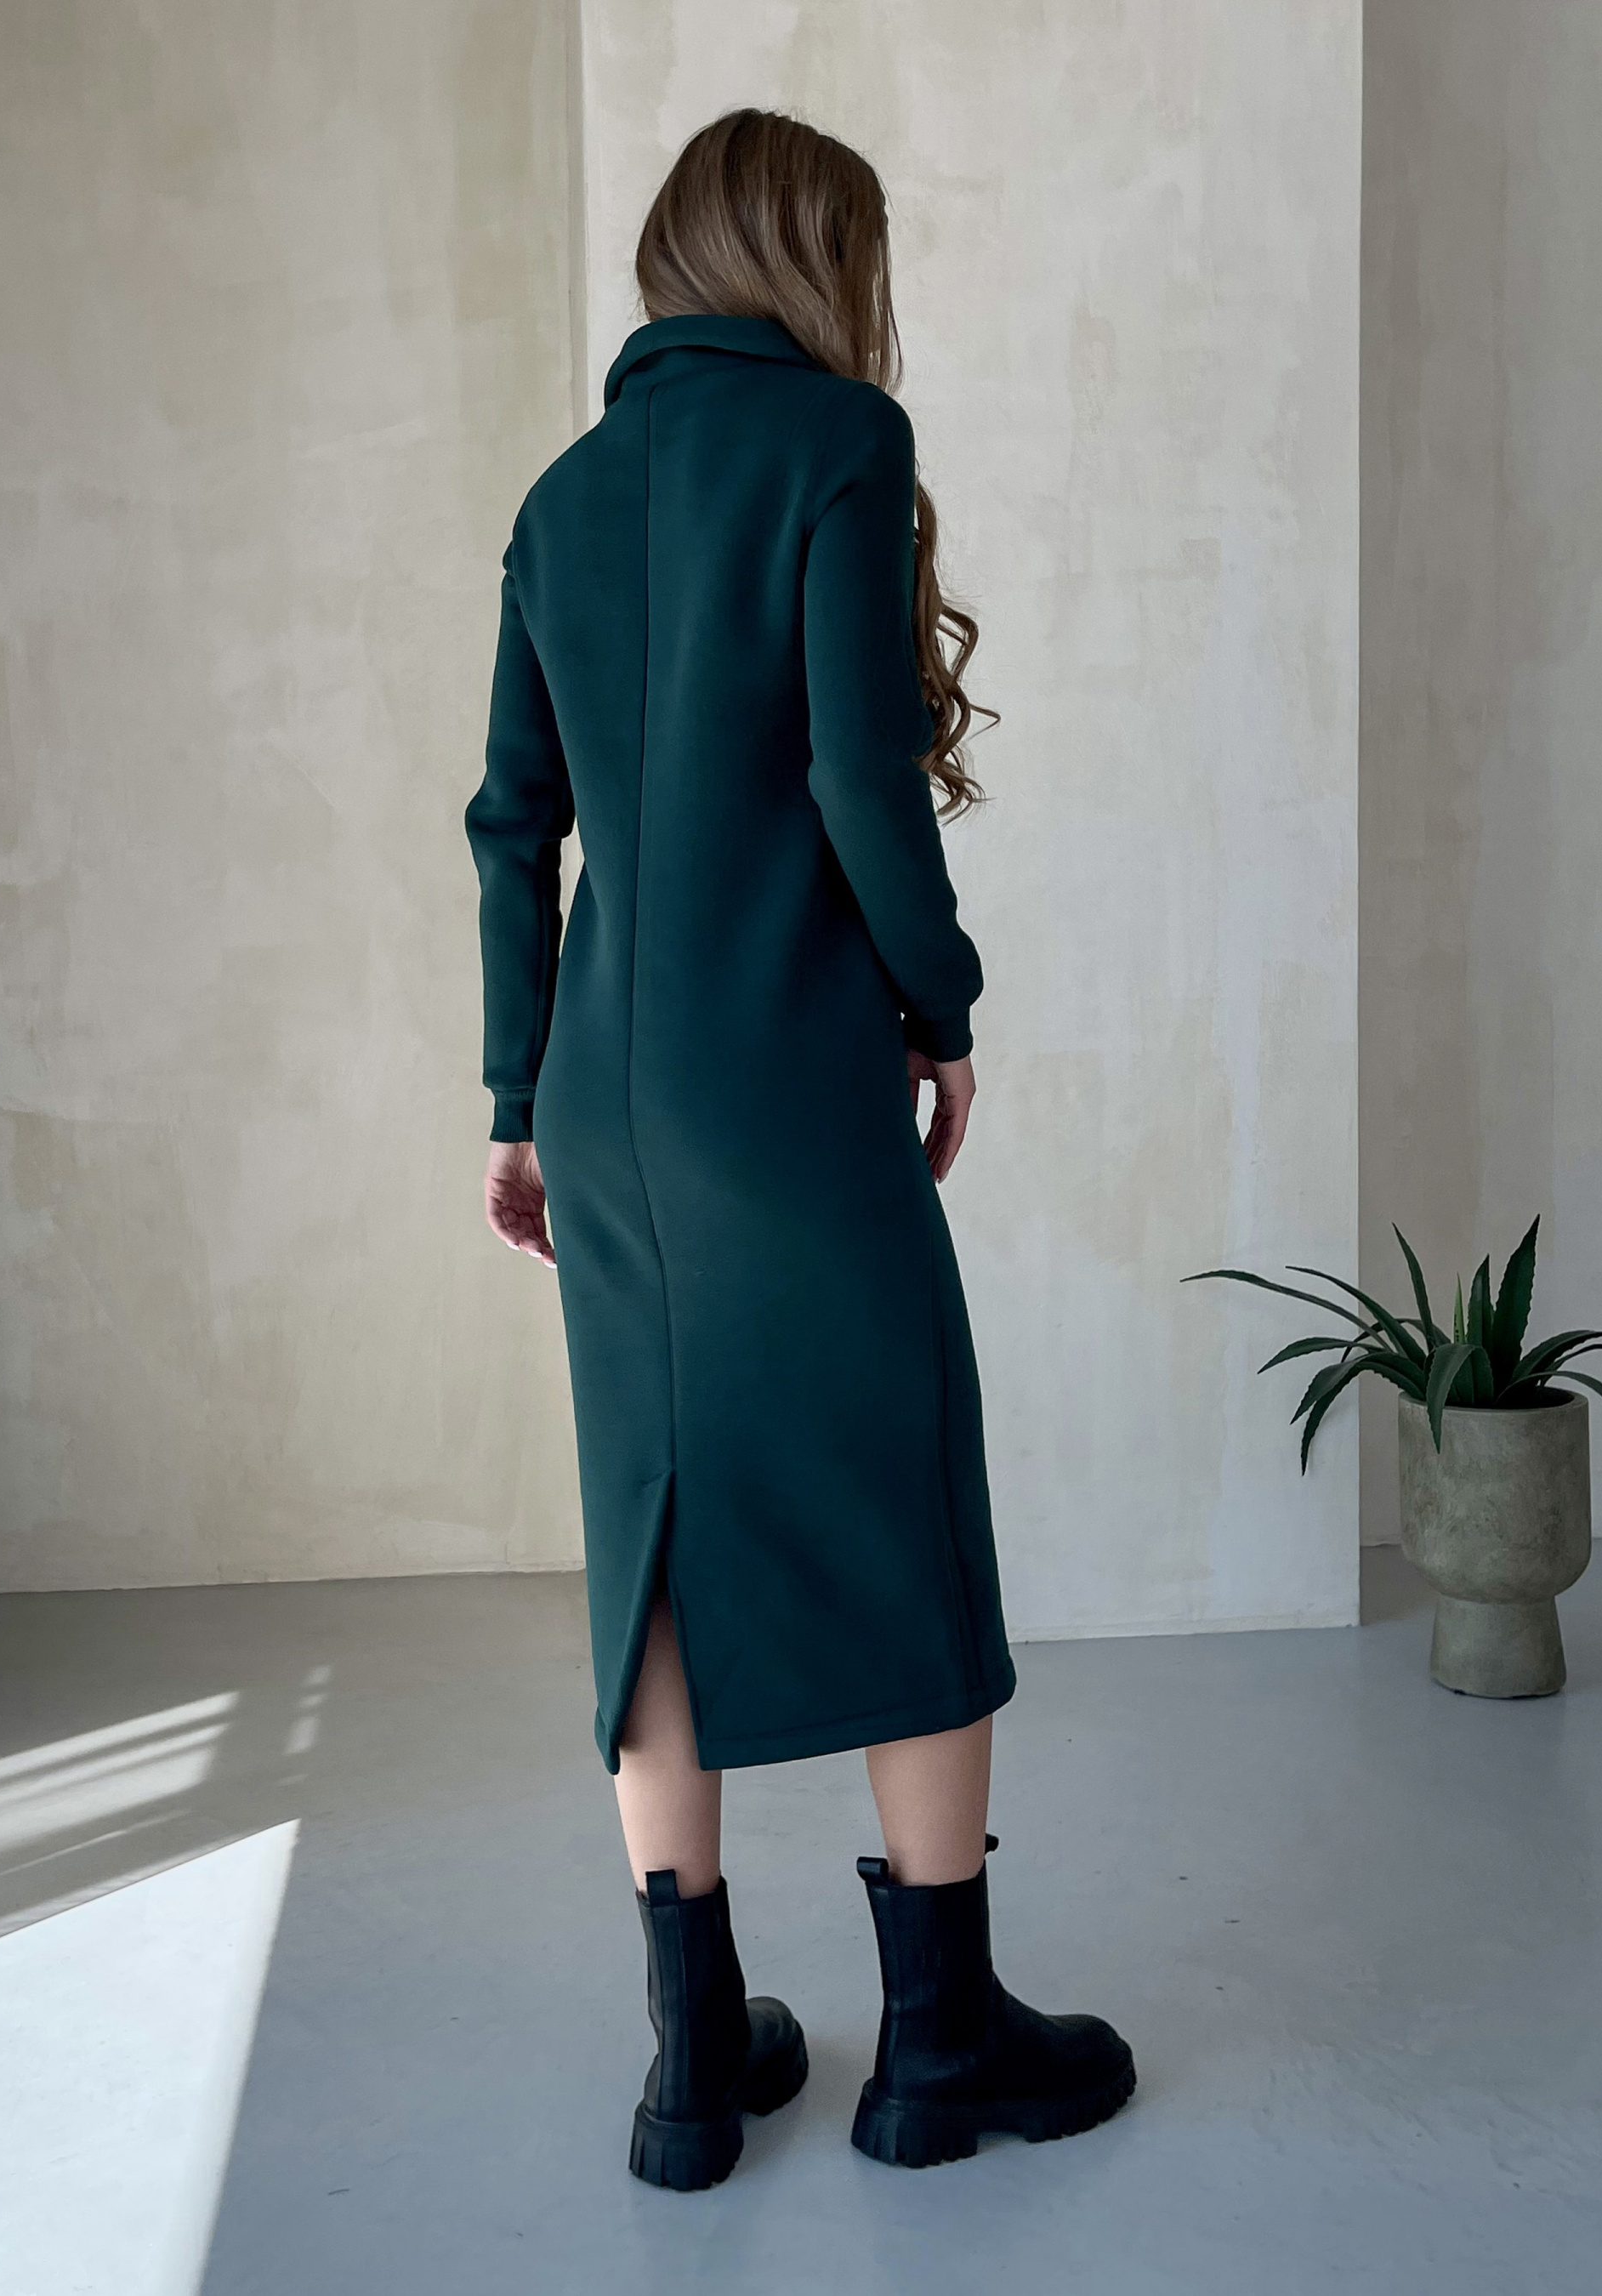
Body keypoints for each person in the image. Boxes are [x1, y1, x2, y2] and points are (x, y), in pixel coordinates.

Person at [466, 108, 1133, 2190]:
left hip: (603, 1093)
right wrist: (940, 1005)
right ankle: (938, 2049)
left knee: (654, 1525)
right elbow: (862, 774)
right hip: (783, 1075)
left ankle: (690, 2071)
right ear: (818, 260)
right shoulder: (842, 444)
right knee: (895, 1500)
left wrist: (514, 1096)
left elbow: (513, 826)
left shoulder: (559, 499)